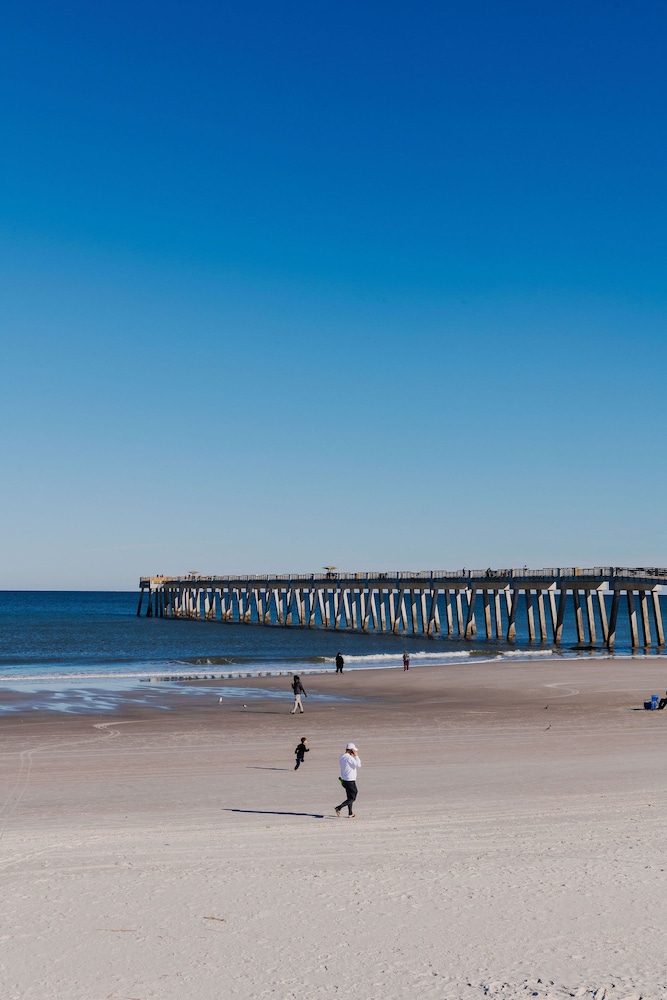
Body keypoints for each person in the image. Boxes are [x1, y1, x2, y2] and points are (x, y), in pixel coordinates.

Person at [335, 742, 361, 818]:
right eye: (354, 751)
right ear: (351, 750)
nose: (355, 752)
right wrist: (356, 756)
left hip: (345, 779)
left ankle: (350, 813)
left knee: (349, 797)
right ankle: (339, 807)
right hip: (350, 780)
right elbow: (359, 765)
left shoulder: (342, 756)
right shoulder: (349, 758)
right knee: (353, 797)